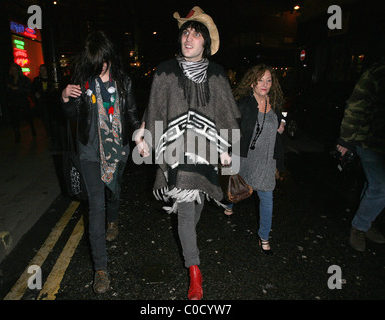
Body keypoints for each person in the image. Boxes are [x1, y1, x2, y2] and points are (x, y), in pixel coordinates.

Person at [138, 6, 240, 300]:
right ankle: (194, 271)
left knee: (195, 208)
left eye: (196, 34)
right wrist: (144, 134)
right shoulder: (165, 70)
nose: (189, 38)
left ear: (205, 43)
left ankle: (189, 247)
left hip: (206, 152)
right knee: (184, 211)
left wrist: (225, 148)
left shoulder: (217, 73)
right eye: (185, 32)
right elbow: (154, 107)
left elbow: (226, 113)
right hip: (175, 151)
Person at [61, 31, 141, 293]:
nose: (99, 67)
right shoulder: (83, 83)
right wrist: (65, 98)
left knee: (113, 192)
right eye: (94, 63)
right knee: (96, 207)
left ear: (108, 56)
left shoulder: (123, 81)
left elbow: (131, 114)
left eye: (102, 61)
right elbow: (72, 115)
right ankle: (101, 270)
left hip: (118, 150)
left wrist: (139, 131)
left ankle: (113, 219)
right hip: (89, 152)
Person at [225, 64, 285, 256]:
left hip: (267, 160)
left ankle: (264, 236)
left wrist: (283, 122)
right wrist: (225, 151)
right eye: (261, 80)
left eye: (268, 80)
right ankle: (229, 203)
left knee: (267, 196)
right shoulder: (243, 104)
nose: (265, 84)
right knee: (236, 185)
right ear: (252, 82)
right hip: (244, 156)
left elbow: (284, 115)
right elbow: (229, 128)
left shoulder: (275, 103)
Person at [336, 57, 385, 252]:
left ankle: (368, 219)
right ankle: (359, 226)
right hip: (370, 141)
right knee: (381, 186)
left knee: (373, 185)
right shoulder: (377, 71)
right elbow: (356, 105)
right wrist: (346, 140)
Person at [6, 63, 36, 143]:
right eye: (11, 69)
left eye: (14, 69)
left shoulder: (24, 79)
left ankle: (33, 129)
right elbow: (7, 92)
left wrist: (17, 88)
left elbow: (28, 90)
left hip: (23, 101)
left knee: (28, 116)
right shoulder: (9, 80)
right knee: (14, 119)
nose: (13, 71)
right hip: (14, 102)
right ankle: (17, 134)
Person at [32, 64, 55, 138]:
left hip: (51, 102)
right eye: (41, 70)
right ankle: (50, 134)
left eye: (44, 69)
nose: (42, 72)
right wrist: (36, 94)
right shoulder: (37, 80)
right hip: (42, 103)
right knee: (46, 119)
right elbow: (33, 90)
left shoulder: (52, 79)